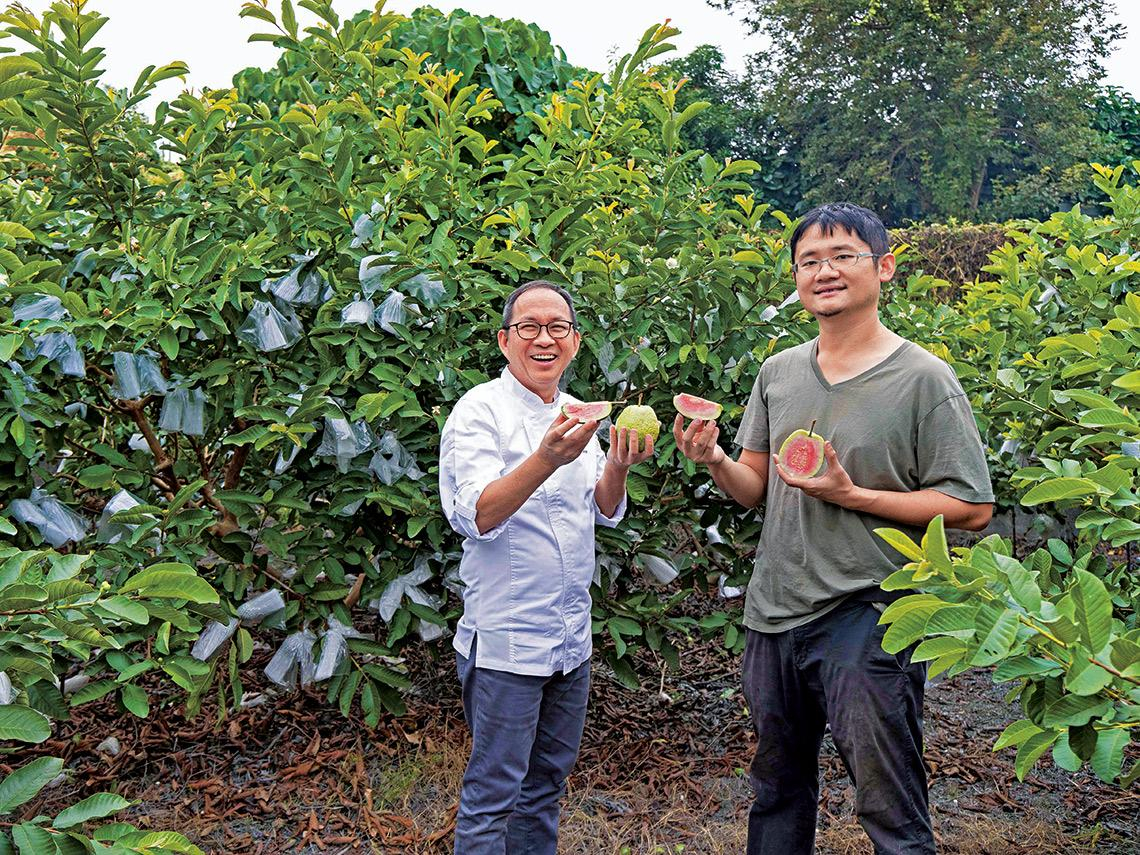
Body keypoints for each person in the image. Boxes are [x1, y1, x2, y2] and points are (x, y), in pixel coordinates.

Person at [674, 203, 995, 855]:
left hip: (868, 609)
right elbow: (755, 488)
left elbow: (972, 507)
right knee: (775, 793)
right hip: (774, 612)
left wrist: (855, 494)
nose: (824, 270)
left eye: (842, 255)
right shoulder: (779, 372)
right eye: (808, 261)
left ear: (885, 268)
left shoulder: (924, 378)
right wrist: (714, 460)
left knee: (888, 803)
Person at [439, 279, 653, 854]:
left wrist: (618, 465)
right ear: (505, 341)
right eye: (529, 327)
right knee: (493, 795)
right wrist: (544, 459)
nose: (544, 338)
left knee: (544, 789)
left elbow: (603, 510)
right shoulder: (478, 411)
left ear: (575, 342)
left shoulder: (577, 415)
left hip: (569, 641)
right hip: (507, 642)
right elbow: (475, 515)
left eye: (557, 327)